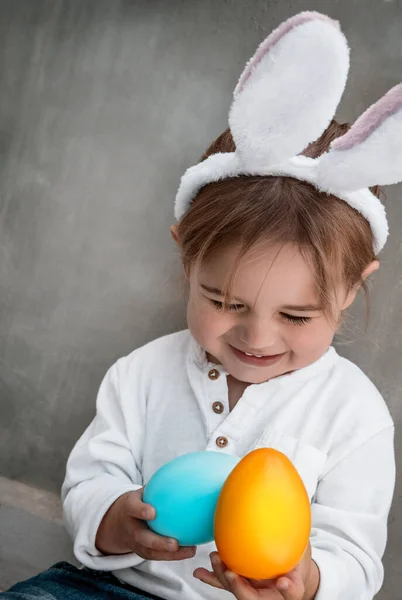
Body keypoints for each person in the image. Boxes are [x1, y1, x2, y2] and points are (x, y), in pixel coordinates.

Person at [3, 10, 400, 600]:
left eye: (295, 316)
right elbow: (90, 479)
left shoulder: (353, 416)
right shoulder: (141, 374)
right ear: (188, 261)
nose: (257, 337)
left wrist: (309, 581)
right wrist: (115, 519)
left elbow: (357, 559)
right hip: (114, 591)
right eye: (224, 300)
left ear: (350, 288)